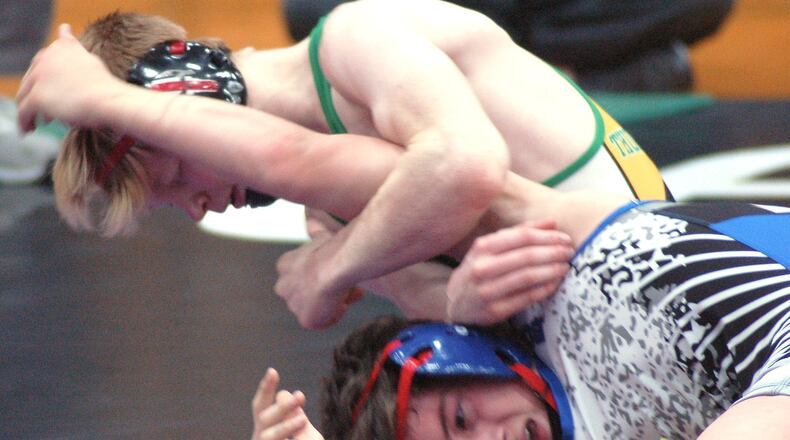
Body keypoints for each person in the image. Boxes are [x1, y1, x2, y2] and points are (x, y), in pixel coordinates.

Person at [16, 0, 670, 329]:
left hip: (654, 269)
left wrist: (331, 270)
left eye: (178, 179)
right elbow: (439, 302)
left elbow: (466, 165)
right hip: (589, 329)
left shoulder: (358, 38)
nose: (196, 207)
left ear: (184, 92)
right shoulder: (328, 208)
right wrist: (459, 301)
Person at [251, 184, 790, 438]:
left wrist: (335, 268)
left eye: (461, 419)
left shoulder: (576, 292)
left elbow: (442, 165)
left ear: (466, 352)